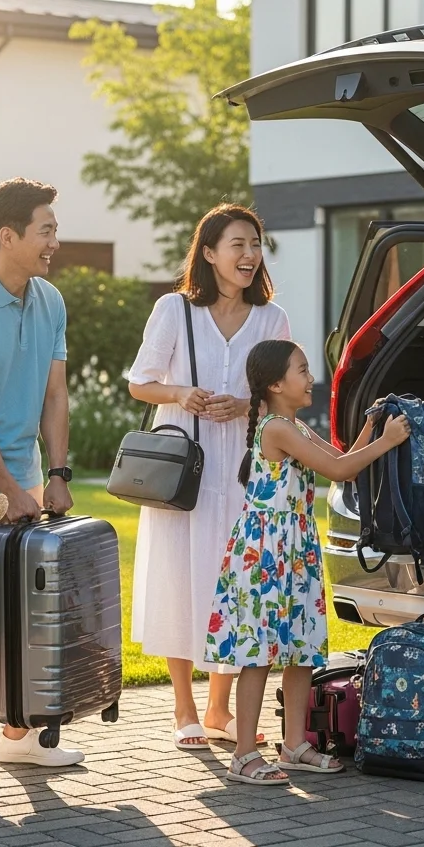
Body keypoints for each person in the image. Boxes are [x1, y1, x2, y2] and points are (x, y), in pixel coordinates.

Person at [205, 339, 410, 785]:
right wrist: (389, 441)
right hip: (266, 552)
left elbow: (344, 463)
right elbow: (338, 473)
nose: (311, 377)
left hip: (294, 548)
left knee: (300, 648)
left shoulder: (294, 425)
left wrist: (372, 429)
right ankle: (243, 754)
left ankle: (294, 744)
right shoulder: (276, 429)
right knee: (258, 653)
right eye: (302, 369)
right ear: (277, 383)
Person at [128, 204, 291, 750]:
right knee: (179, 571)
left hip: (244, 462)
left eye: (255, 244)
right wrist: (182, 395)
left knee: (235, 577)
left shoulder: (272, 319)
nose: (249, 255)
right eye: (237, 245)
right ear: (209, 252)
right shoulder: (174, 309)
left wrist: (245, 402)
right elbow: (141, 382)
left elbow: (283, 394)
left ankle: (220, 709)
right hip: (184, 464)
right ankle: (184, 708)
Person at [0, 177, 83, 769]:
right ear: (9, 236)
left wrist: (56, 473)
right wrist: (1, 486)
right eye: (45, 230)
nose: (55, 240)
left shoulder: (50, 301)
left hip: (24, 473)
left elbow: (56, 394)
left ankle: (17, 734)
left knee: (21, 609)